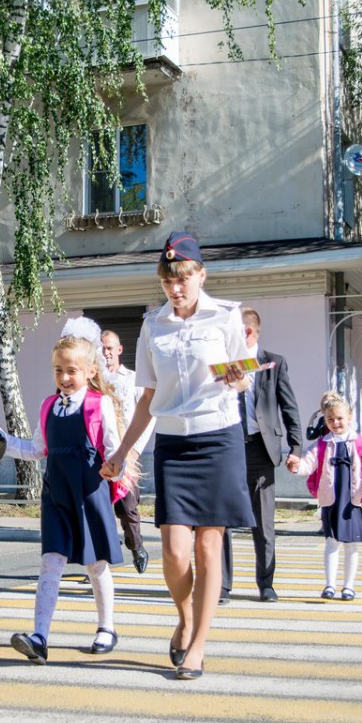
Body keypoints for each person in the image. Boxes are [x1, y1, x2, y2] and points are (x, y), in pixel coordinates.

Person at [101, 231, 256, 681]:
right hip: (173, 444)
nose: (177, 287)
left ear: (201, 275)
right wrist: (122, 449)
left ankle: (199, 645)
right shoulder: (154, 324)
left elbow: (244, 373)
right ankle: (185, 617)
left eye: (184, 277)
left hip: (218, 438)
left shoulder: (226, 316)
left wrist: (237, 376)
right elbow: (148, 396)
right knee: (173, 552)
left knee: (210, 547)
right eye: (170, 278)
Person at [3, 334, 127, 664]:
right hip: (55, 492)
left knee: (95, 563)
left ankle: (107, 627)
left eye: (72, 370)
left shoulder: (98, 403)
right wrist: (0, 441)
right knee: (50, 562)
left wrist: (118, 465)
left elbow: (114, 448)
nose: (64, 378)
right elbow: (36, 450)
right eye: (58, 370)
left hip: (88, 491)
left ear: (89, 371)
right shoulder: (48, 405)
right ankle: (40, 636)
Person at [219, 308, 303, 604]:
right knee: (221, 520)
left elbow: (289, 407)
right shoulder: (222, 364)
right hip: (227, 447)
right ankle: (222, 586)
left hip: (260, 448)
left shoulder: (274, 363)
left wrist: (296, 448)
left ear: (249, 332)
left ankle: (266, 584)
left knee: (263, 521)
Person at [289, 395, 362, 601]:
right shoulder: (322, 444)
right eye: (330, 419)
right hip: (331, 500)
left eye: (339, 418)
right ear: (325, 420)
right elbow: (309, 464)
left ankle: (348, 586)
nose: (335, 423)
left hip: (353, 501)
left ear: (349, 417)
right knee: (331, 541)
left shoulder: (360, 443)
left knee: (351, 544)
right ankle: (330, 585)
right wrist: (296, 466)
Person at [101, 329, 154, 573]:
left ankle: (137, 547)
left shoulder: (132, 379)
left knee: (126, 504)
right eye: (102, 348)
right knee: (99, 506)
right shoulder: (94, 379)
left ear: (119, 350)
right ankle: (100, 560)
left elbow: (148, 414)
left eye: (110, 348)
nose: (106, 352)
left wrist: (134, 450)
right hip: (100, 451)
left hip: (127, 451)